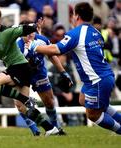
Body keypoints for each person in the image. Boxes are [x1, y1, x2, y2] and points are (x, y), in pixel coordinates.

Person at [0, 4, 63, 136]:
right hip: (15, 68)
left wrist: (36, 26)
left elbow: (24, 28)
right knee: (22, 108)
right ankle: (50, 129)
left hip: (20, 67)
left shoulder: (7, 32)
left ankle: (27, 101)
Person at [28, 2, 121, 135]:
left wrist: (33, 46)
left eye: (72, 15)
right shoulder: (96, 31)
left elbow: (56, 49)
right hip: (101, 77)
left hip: (97, 80)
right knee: (83, 99)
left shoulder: (76, 33)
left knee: (93, 115)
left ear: (76, 16)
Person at [16, 21, 72, 135]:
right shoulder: (16, 44)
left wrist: (63, 72)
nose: (30, 34)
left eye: (32, 31)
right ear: (20, 33)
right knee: (20, 104)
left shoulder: (42, 40)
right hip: (21, 74)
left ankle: (56, 128)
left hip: (39, 73)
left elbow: (51, 55)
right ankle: (35, 131)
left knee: (49, 102)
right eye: (27, 31)